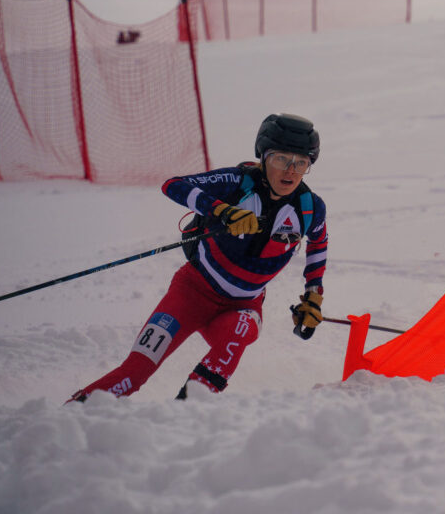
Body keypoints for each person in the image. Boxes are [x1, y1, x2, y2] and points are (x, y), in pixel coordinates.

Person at [68, 113, 328, 401]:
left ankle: (188, 412)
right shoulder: (237, 181)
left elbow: (319, 243)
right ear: (263, 157)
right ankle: (66, 417)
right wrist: (221, 210)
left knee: (240, 330)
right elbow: (173, 185)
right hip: (190, 294)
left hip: (243, 307)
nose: (291, 171)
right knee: (133, 374)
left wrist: (313, 295)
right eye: (281, 159)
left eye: (301, 163)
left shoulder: (310, 206)